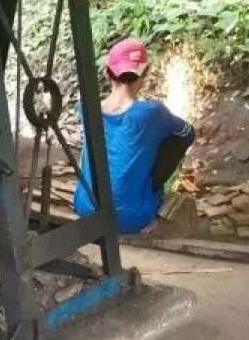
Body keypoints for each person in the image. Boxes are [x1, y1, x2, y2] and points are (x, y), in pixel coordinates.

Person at [73, 38, 196, 234]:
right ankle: (148, 195)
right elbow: (189, 133)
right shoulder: (152, 112)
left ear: (107, 73)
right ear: (144, 76)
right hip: (129, 218)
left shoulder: (85, 107)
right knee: (175, 139)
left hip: (86, 210)